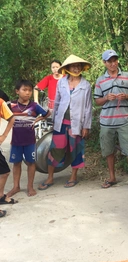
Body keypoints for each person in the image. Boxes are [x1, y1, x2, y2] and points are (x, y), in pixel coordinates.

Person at [94, 49, 128, 192]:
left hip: (124, 120)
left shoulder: (127, 76)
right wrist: (107, 98)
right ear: (104, 63)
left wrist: (126, 96)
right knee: (109, 151)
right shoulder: (100, 80)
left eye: (115, 60)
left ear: (117, 61)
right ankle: (112, 177)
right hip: (106, 122)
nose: (113, 63)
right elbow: (97, 101)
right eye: (109, 61)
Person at [38, 55, 92, 190]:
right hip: (61, 123)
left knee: (76, 150)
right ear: (67, 68)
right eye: (73, 66)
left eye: (78, 65)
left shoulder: (85, 85)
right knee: (55, 149)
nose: (76, 68)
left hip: (77, 124)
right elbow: (57, 102)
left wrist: (86, 126)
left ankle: (73, 176)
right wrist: (53, 119)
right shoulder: (62, 82)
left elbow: (88, 107)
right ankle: (50, 177)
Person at [6, 80, 50, 198]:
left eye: (30, 90)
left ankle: (30, 187)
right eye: (24, 90)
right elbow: (4, 114)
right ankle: (16, 186)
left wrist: (38, 119)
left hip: (30, 141)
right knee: (16, 163)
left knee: (31, 163)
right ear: (17, 91)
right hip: (16, 141)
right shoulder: (11, 105)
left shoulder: (34, 106)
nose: (27, 93)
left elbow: (47, 113)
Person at [0, 97, 16, 217]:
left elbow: (11, 118)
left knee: (4, 171)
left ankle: (0, 196)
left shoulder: (0, 102)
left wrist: (4, 136)